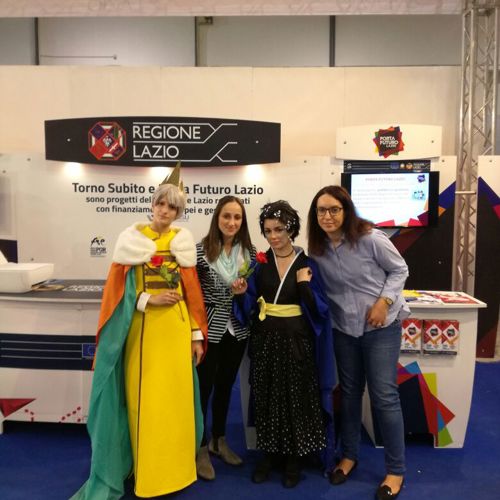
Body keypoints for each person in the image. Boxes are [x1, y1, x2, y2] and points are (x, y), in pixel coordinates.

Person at [72, 165, 208, 500]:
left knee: (175, 402)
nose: (165, 211)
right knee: (143, 402)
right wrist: (149, 300)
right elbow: (118, 295)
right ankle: (144, 471)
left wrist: (195, 335)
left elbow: (192, 295)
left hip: (175, 331)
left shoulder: (182, 243)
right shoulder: (131, 242)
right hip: (142, 330)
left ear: (179, 212)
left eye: (172, 207)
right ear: (153, 204)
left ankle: (176, 471)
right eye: (161, 204)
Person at [307, 185, 409, 500]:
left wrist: (384, 301)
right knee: (350, 395)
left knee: (384, 397)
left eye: (334, 209)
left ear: (346, 210)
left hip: (381, 328)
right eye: (321, 210)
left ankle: (395, 470)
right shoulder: (317, 250)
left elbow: (400, 270)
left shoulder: (371, 239)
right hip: (344, 330)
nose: (327, 216)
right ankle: (349, 456)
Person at [234, 200, 335, 489]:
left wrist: (303, 286)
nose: (273, 236)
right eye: (268, 231)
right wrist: (241, 293)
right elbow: (250, 304)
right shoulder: (259, 264)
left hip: (297, 341)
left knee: (295, 399)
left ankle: (293, 458)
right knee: (266, 397)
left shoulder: (307, 264)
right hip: (266, 340)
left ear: (291, 229)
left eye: (278, 229)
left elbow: (320, 308)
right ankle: (269, 455)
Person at [194, 195, 256, 480]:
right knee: (203, 388)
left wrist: (243, 295)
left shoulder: (250, 253)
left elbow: (254, 292)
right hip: (209, 327)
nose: (232, 222)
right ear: (217, 218)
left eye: (237, 217)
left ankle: (219, 440)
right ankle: (200, 446)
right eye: (226, 216)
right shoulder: (199, 252)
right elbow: (193, 295)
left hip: (238, 328)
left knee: (226, 386)